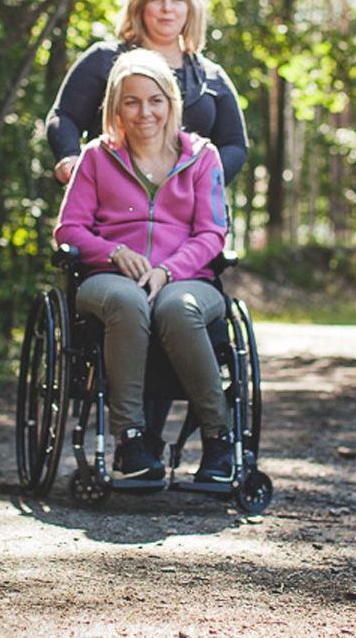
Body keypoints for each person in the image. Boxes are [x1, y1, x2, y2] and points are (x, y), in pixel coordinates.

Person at [53, 49, 234, 484]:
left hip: (187, 279)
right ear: (116, 107)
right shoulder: (97, 156)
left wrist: (168, 270)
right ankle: (130, 439)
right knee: (128, 301)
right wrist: (113, 253)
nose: (144, 112)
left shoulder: (202, 156)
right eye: (131, 101)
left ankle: (218, 438)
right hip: (108, 279)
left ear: (172, 101)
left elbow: (212, 234)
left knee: (177, 307)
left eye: (155, 100)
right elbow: (68, 229)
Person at [46, 0, 248, 187]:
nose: (167, 9)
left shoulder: (211, 77)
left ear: (190, 7)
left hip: (188, 212)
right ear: (139, 4)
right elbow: (64, 116)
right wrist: (69, 155)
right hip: (110, 203)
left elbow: (234, 144)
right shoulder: (104, 60)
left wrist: (201, 182)